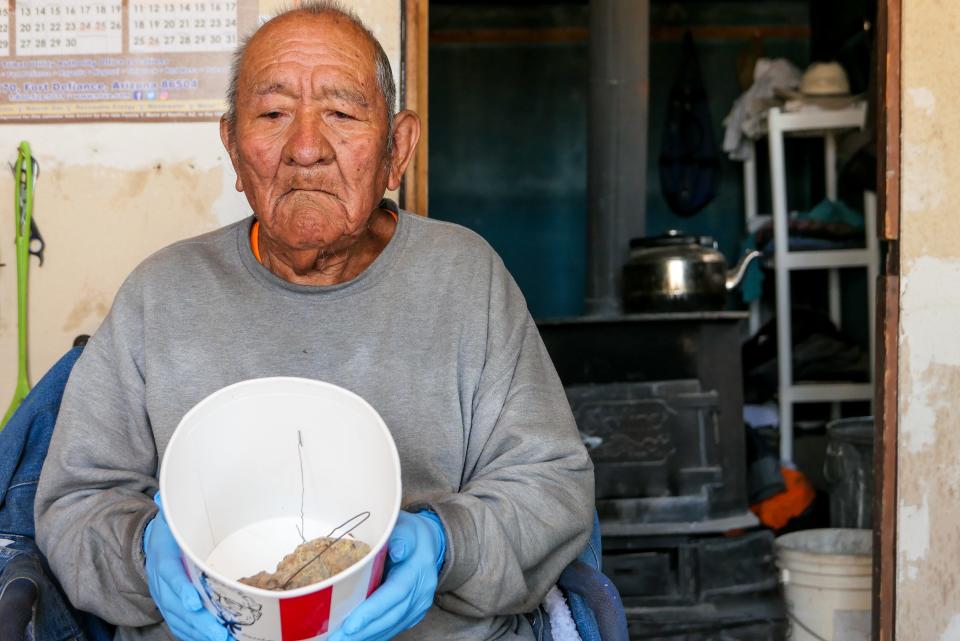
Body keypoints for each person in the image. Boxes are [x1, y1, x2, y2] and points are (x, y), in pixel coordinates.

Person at [34, 2, 594, 641]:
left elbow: (556, 487)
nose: (305, 148)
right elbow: (72, 505)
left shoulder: (465, 279)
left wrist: (447, 546)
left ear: (397, 148)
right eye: (273, 115)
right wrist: (144, 552)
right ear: (233, 148)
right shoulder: (159, 295)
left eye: (342, 113)